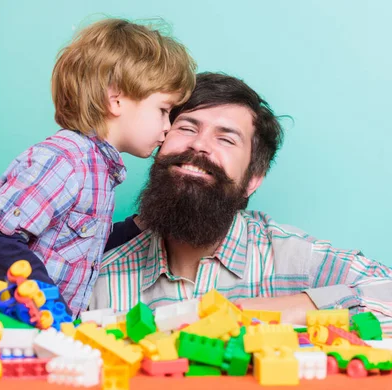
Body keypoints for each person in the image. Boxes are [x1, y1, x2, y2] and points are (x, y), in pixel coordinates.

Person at [90, 72, 392, 331]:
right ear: (160, 145)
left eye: (226, 139)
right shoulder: (99, 278)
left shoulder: (291, 258)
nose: (199, 144)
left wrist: (285, 309)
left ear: (252, 179)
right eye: (187, 128)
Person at [0, 18, 196, 317]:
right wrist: (46, 301)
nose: (167, 127)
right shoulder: (65, 161)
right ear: (116, 100)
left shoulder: (99, 173)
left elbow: (82, 248)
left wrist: (141, 225)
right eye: (164, 110)